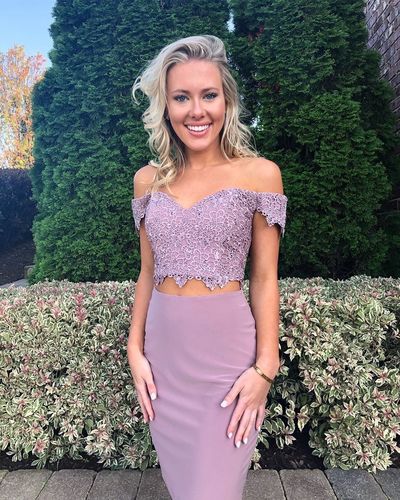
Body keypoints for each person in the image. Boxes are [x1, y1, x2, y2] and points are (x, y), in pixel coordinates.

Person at [128, 34, 287, 500]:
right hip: (165, 363)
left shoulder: (260, 174)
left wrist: (266, 367)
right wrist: (134, 349)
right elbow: (147, 272)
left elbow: (264, 278)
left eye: (209, 95)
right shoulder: (147, 181)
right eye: (181, 97)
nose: (196, 111)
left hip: (226, 365)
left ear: (227, 101)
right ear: (165, 107)